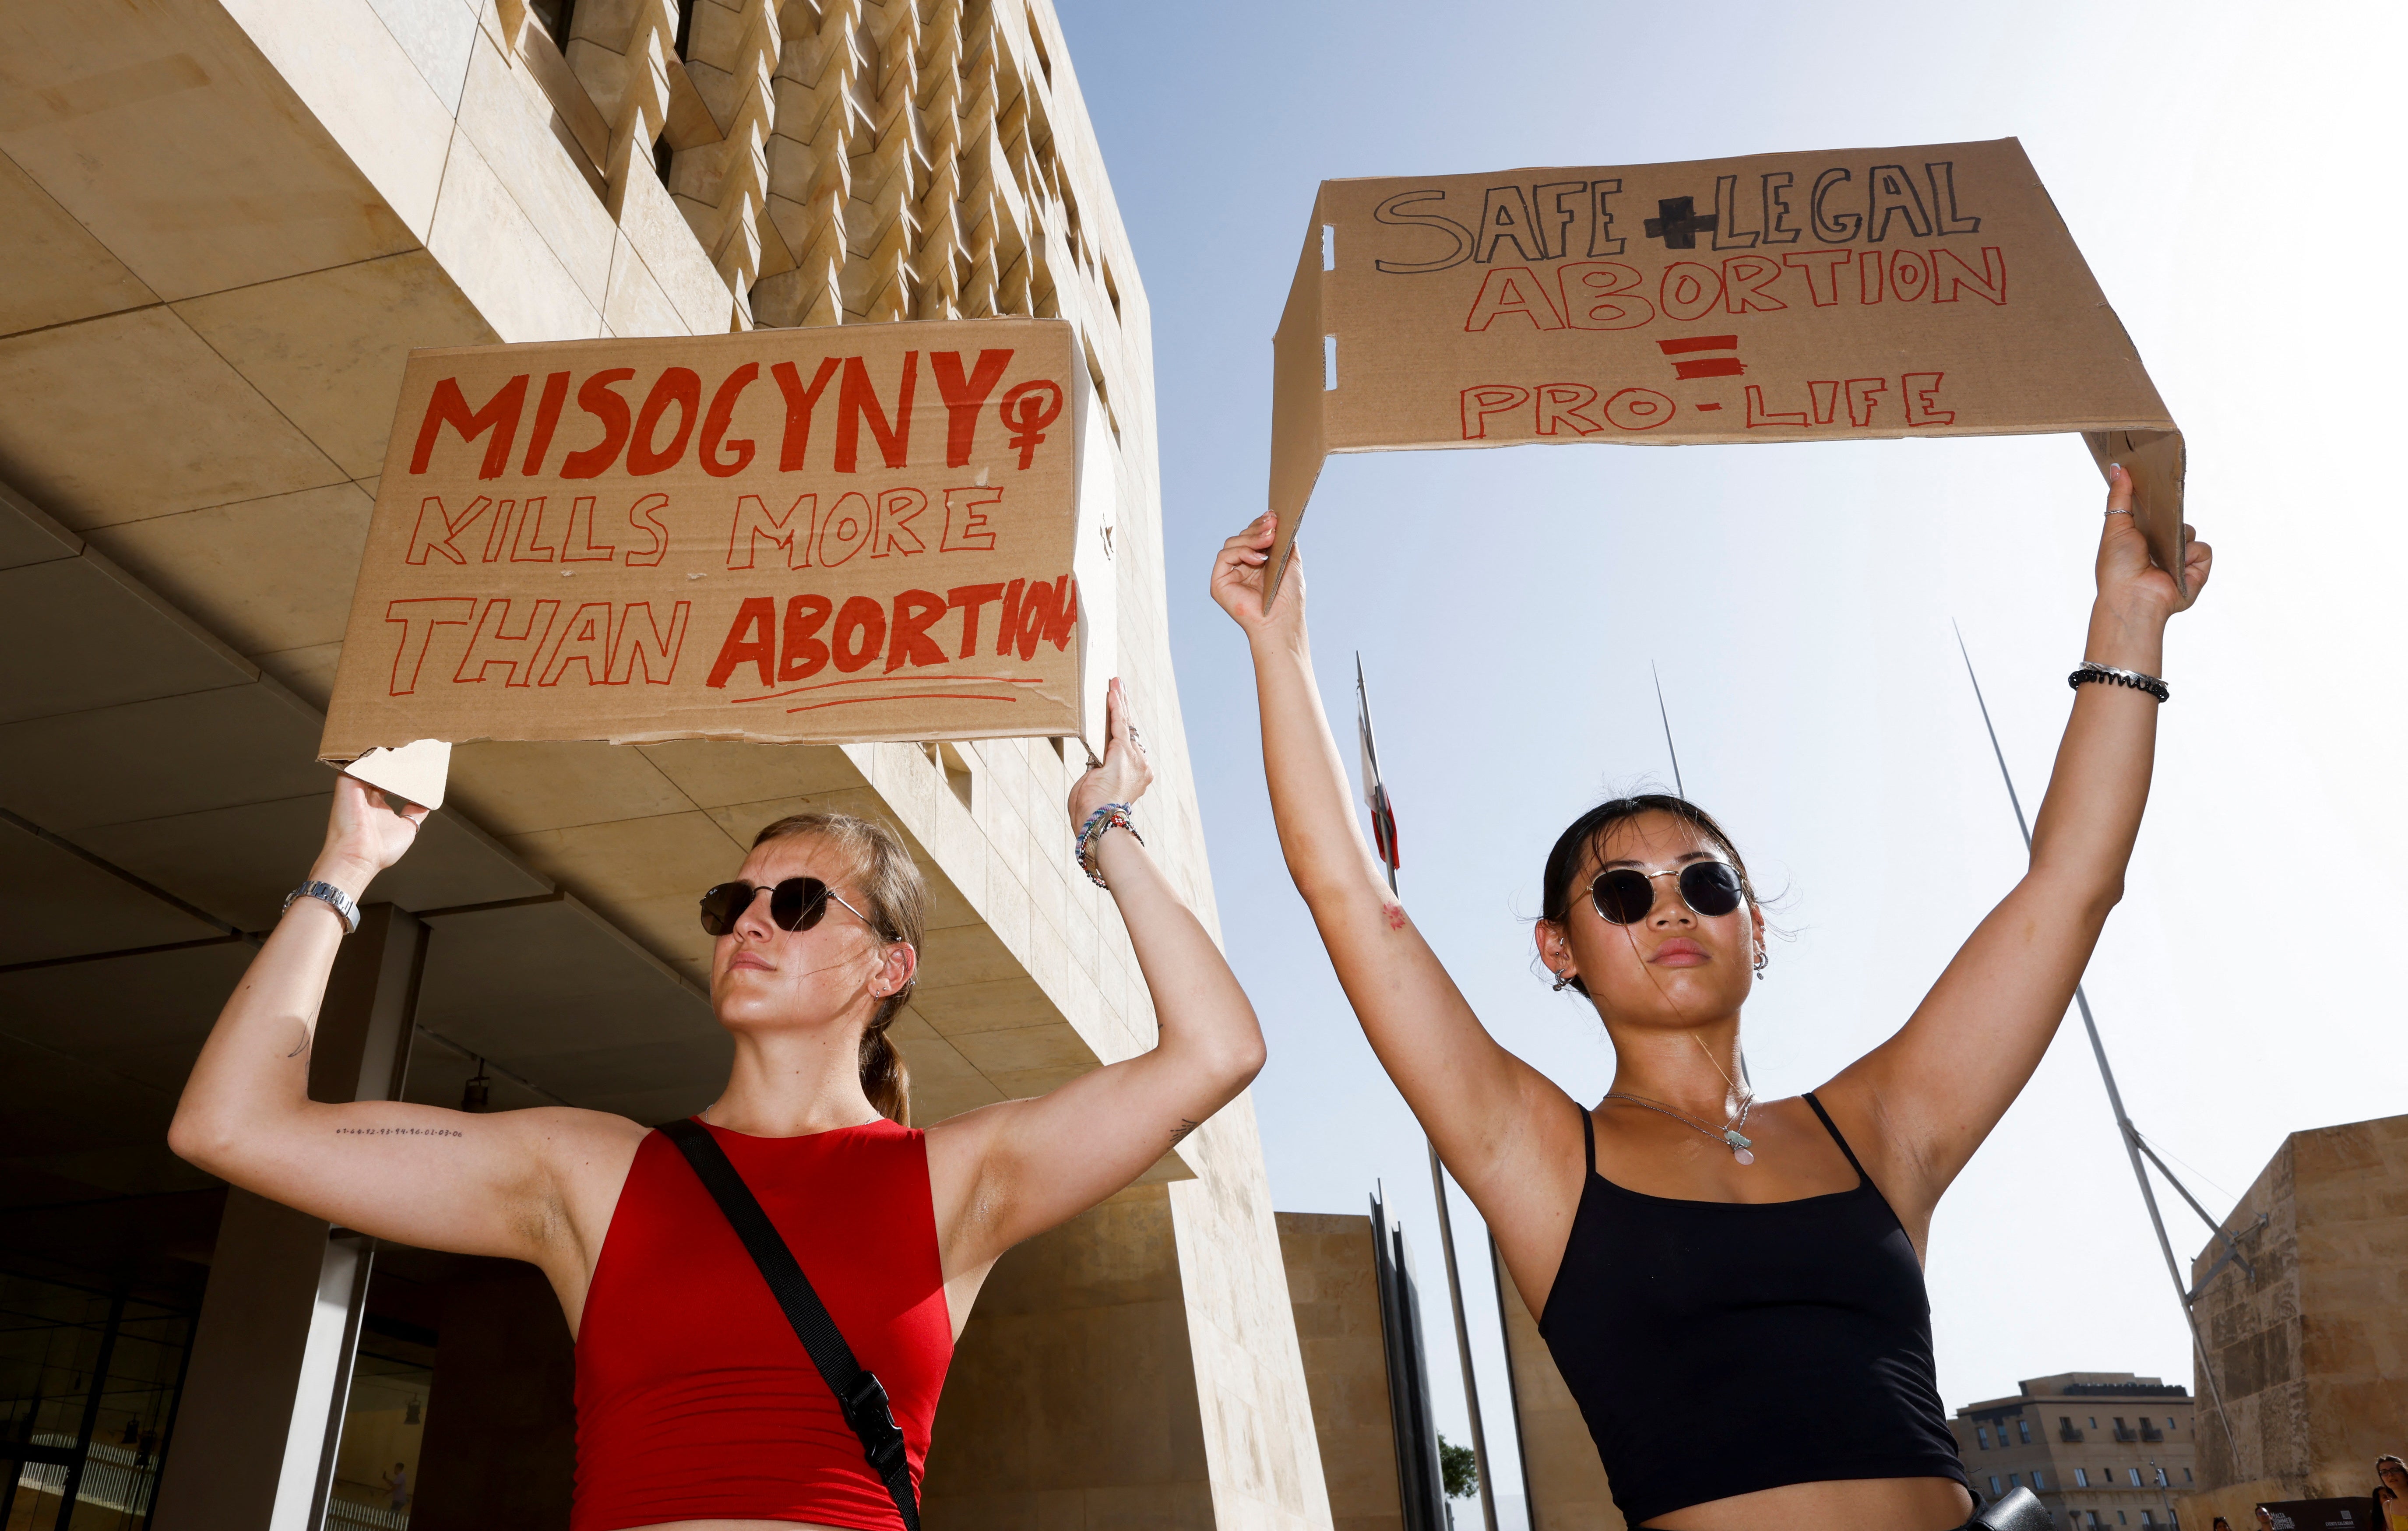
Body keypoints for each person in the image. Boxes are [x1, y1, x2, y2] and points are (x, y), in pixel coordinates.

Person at [1211, 462, 2209, 1531]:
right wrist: (1280, 648)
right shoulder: (1537, 1157)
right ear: (1559, 949)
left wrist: (2127, 618)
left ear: (1753, 926)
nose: (1671, 910)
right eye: (1625, 895)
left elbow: (2069, 888)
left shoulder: (1879, 1126)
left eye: (1704, 883)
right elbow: (1350, 902)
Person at [170, 679, 1264, 1531]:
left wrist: (1104, 821)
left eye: (794, 904)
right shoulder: (588, 1172)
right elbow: (232, 1128)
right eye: (731, 902)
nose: (747, 922)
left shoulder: (958, 1179)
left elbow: (1216, 1050)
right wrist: (347, 867)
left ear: (890, 968)